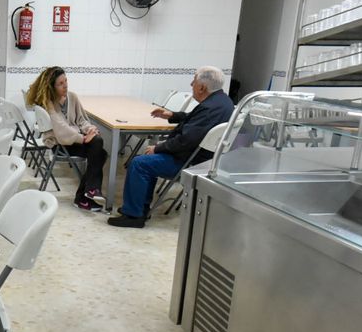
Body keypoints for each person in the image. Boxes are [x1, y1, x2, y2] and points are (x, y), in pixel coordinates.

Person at [107, 66, 234, 229]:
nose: (191, 84)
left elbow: (186, 141)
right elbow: (194, 120)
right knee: (144, 161)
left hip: (190, 162)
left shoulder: (210, 108)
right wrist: (172, 115)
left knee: (140, 163)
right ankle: (139, 208)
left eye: (194, 81)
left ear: (202, 87)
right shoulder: (221, 101)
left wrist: (158, 148)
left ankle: (134, 216)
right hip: (202, 158)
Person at [24, 66, 108, 211]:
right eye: (60, 83)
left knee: (98, 147)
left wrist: (90, 129)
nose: (65, 85)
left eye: (66, 81)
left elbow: (82, 120)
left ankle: (87, 193)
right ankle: (86, 194)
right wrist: (82, 138)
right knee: (100, 151)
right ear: (52, 87)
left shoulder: (73, 97)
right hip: (59, 144)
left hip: (73, 139)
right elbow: (61, 129)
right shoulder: (48, 103)